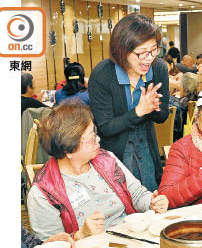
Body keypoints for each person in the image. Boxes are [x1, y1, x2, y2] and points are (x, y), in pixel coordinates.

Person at [27, 101, 169, 241]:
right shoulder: (44, 192)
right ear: (68, 150)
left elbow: (137, 194)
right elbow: (49, 244)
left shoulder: (107, 160)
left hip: (130, 239)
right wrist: (81, 234)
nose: (98, 139)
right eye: (91, 138)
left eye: (95, 132)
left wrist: (152, 202)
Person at [88, 14, 169, 191]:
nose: (149, 58)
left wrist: (152, 107)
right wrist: (139, 111)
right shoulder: (103, 74)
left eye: (154, 50)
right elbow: (105, 128)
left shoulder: (158, 69)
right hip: (114, 150)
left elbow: (162, 116)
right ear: (122, 50)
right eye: (141, 53)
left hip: (146, 144)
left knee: (149, 197)